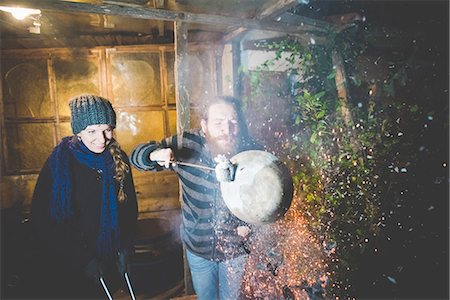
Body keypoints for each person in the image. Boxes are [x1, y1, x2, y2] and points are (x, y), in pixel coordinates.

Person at [130, 95, 261, 299]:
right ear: (204, 125)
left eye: (233, 122)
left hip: (236, 250)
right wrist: (155, 155)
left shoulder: (251, 150)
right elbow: (136, 156)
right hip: (198, 249)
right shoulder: (187, 143)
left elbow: (266, 197)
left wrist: (252, 226)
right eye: (218, 123)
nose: (227, 130)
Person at [30, 94, 138, 299]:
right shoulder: (59, 164)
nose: (102, 138)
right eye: (92, 131)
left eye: (107, 129)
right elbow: (42, 220)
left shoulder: (119, 159)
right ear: (78, 131)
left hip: (109, 259)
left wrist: (126, 247)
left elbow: (129, 209)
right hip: (70, 264)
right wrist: (83, 259)